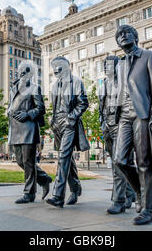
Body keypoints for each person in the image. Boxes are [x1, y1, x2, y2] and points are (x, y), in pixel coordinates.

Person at [114, 24, 152, 225]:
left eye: (127, 33)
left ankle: (148, 208)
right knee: (119, 160)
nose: (123, 36)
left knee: (144, 163)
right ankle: (139, 192)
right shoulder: (119, 64)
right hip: (124, 116)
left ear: (135, 37)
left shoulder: (149, 56)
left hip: (143, 114)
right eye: (119, 35)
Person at [46, 56, 90, 208]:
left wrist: (71, 117)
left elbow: (83, 103)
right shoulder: (55, 85)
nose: (54, 69)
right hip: (57, 124)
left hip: (70, 123)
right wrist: (52, 121)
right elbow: (54, 106)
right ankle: (76, 187)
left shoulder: (76, 82)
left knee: (63, 157)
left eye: (57, 66)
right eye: (53, 66)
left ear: (65, 66)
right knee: (67, 157)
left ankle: (58, 196)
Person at [8, 60, 52, 204]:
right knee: (21, 161)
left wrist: (28, 114)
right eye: (20, 70)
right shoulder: (13, 89)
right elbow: (12, 105)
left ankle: (29, 193)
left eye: (26, 70)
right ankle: (44, 179)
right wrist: (8, 111)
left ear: (31, 74)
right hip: (15, 129)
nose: (22, 72)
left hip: (28, 129)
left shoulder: (34, 88)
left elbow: (41, 108)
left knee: (28, 162)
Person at [99, 55, 136, 214]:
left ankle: (118, 200)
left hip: (121, 126)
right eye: (104, 65)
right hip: (107, 127)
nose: (105, 68)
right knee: (122, 163)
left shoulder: (125, 83)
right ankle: (130, 193)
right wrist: (102, 123)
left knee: (117, 163)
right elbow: (101, 107)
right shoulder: (103, 85)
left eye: (108, 65)